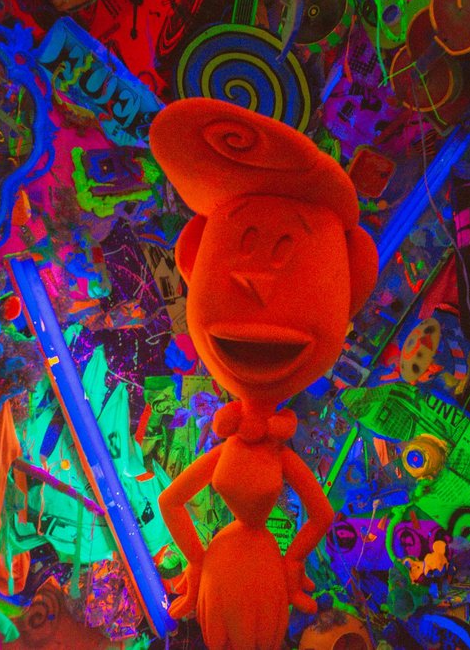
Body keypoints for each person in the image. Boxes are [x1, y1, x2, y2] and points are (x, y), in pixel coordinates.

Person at [152, 98, 378, 650]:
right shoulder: (251, 446)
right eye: (244, 243)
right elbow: (170, 502)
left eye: (286, 251)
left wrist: (292, 561)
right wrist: (197, 560)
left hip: (255, 567)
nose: (256, 281)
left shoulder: (273, 452)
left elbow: (320, 515)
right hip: (230, 564)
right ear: (193, 255)